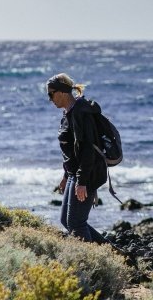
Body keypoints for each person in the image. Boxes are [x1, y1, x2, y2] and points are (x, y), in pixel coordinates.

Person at [48, 73, 108, 243]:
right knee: (66, 221)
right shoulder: (67, 114)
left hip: (86, 173)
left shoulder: (80, 113)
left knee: (76, 223)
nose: (50, 99)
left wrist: (82, 182)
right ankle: (113, 254)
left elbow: (87, 150)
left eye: (50, 94)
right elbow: (71, 152)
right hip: (75, 174)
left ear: (62, 92)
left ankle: (96, 261)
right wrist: (66, 175)